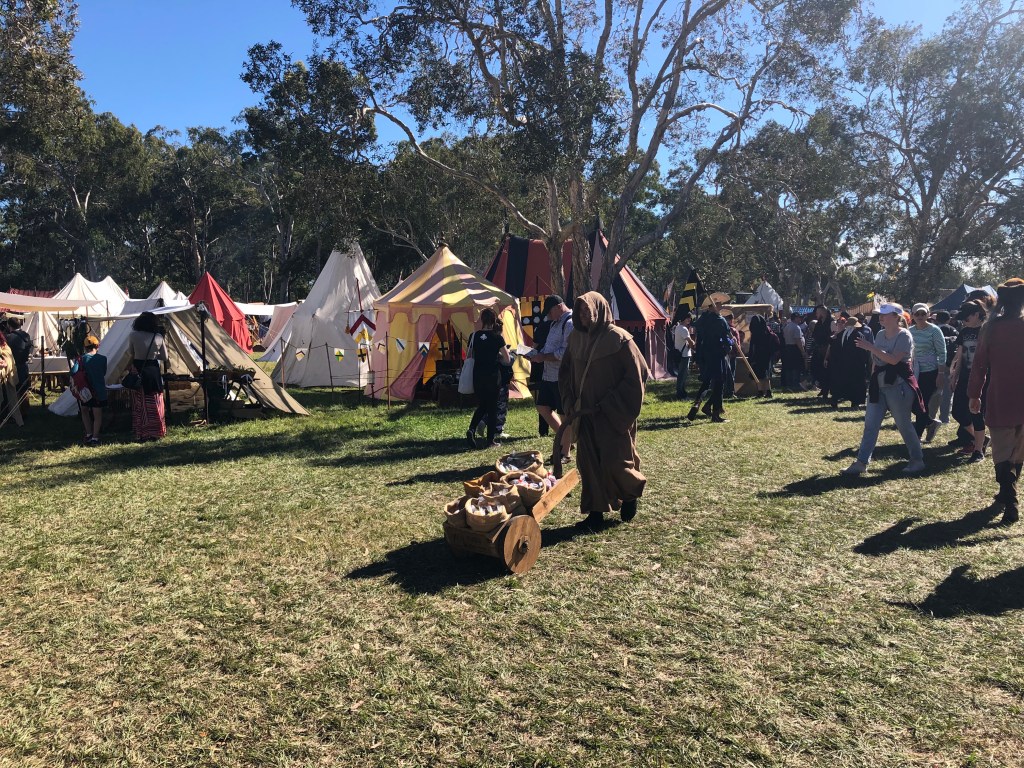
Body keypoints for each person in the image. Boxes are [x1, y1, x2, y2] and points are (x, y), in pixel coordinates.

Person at [559, 292, 649, 528]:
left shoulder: (620, 339)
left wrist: (610, 405)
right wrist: (569, 403)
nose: (583, 315)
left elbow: (637, 377)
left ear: (600, 309)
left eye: (587, 310)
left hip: (612, 415)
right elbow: (566, 374)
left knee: (616, 461)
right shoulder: (575, 339)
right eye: (580, 311)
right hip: (584, 415)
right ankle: (595, 511)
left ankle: (630, 494)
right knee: (588, 464)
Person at [841, 302, 925, 476]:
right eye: (880, 314)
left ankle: (917, 460)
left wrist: (871, 347)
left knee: (904, 425)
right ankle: (861, 462)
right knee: (870, 425)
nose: (881, 317)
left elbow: (894, 360)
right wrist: (873, 379)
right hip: (879, 386)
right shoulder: (879, 334)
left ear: (896, 317)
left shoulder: (905, 335)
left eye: (885, 314)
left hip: (899, 387)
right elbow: (877, 362)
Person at [968, 278, 1024, 525]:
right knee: (1018, 451)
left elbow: (979, 364)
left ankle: (1009, 500)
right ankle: (1007, 494)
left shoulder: (990, 328)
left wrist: (974, 394)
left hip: (1000, 395)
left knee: (1002, 451)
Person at [526, 295, 573, 461]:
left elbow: (565, 353)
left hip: (562, 377)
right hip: (549, 375)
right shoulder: (554, 323)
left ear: (559, 306)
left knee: (564, 414)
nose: (549, 316)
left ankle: (564, 452)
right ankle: (565, 440)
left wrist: (543, 357)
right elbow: (548, 347)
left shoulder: (569, 323)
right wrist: (534, 354)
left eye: (550, 311)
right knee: (542, 407)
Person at [465, 308, 511, 449]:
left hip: (478, 375)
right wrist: (497, 354)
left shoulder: (474, 336)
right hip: (492, 376)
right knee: (492, 408)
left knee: (483, 404)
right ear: (494, 320)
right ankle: (490, 440)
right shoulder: (497, 337)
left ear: (482, 320)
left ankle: (472, 429)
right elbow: (507, 359)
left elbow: (469, 355)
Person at [949, 301, 988, 461]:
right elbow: (961, 354)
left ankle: (978, 451)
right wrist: (955, 375)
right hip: (964, 378)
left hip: (982, 379)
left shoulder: (987, 331)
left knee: (976, 414)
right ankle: (982, 439)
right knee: (957, 412)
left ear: (977, 314)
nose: (964, 320)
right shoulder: (964, 332)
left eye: (967, 316)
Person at [908, 303, 948, 442]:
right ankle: (930, 423)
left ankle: (917, 436)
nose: (920, 317)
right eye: (917, 314)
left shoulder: (934, 330)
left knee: (922, 403)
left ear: (928, 314)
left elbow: (942, 352)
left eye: (923, 314)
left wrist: (941, 373)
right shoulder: (910, 330)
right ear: (912, 315)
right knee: (912, 403)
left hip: (930, 372)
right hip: (913, 371)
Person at [128, 311, 169, 442]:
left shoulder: (133, 335)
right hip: (152, 369)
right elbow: (164, 357)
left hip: (139, 368)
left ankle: (142, 432)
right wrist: (153, 354)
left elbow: (131, 353)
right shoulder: (158, 337)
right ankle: (157, 430)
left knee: (140, 401)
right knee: (155, 399)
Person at [826, 312, 873, 409]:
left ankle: (835, 399)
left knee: (840, 381)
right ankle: (855, 402)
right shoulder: (859, 335)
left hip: (841, 364)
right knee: (856, 383)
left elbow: (834, 349)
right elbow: (863, 351)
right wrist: (865, 361)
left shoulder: (840, 335)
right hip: (856, 365)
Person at [71, 335, 107, 446]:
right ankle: (95, 437)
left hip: (85, 391)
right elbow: (104, 373)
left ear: (85, 347)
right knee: (97, 415)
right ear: (97, 345)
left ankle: (88, 434)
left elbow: (73, 371)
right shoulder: (103, 359)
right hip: (98, 391)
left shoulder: (80, 359)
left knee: (85, 411)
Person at [4, 317, 33, 418]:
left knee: (13, 390)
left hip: (13, 367)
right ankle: (24, 411)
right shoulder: (26, 335)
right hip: (24, 366)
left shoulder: (8, 337)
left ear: (9, 325)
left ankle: (15, 413)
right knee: (24, 390)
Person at [746, 314, 777, 397]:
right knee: (765, 375)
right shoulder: (768, 331)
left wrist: (751, 358)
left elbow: (753, 347)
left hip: (758, 356)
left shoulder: (756, 333)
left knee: (759, 375)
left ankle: (761, 391)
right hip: (767, 356)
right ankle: (767, 391)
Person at [0, 330, 23, 427]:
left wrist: (5, 363)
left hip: (5, 377)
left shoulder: (4, 346)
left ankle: (10, 419)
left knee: (8, 399)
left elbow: (9, 358)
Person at [810, 305, 833, 398]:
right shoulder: (819, 323)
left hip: (827, 350)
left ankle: (826, 390)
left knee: (826, 371)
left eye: (818, 312)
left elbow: (832, 337)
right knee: (816, 369)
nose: (816, 314)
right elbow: (815, 335)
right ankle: (823, 388)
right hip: (818, 350)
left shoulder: (831, 322)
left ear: (823, 312)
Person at [781, 312, 805, 391]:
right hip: (795, 348)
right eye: (799, 317)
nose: (800, 319)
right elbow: (798, 340)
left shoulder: (787, 326)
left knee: (789, 367)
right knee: (796, 366)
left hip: (787, 347)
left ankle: (789, 384)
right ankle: (795, 384)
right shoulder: (796, 327)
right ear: (795, 318)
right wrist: (802, 351)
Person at [673, 312, 694, 398]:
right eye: (687, 318)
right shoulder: (684, 329)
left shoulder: (677, 328)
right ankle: (680, 394)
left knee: (682, 374)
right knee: (682, 375)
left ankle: (682, 392)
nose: (689, 319)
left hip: (680, 353)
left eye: (690, 318)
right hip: (684, 354)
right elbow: (691, 342)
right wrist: (693, 342)